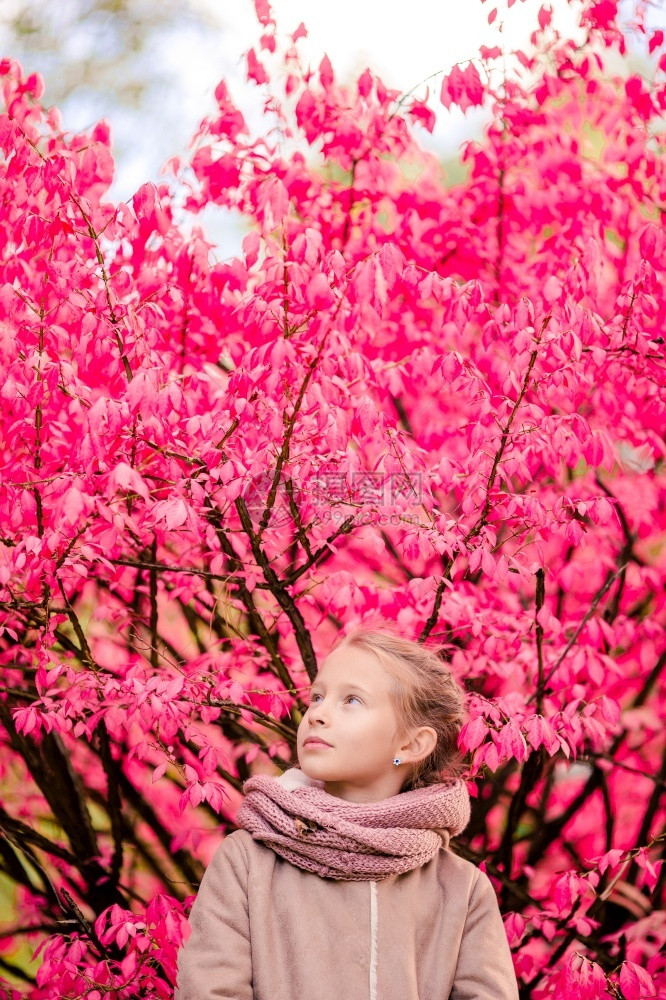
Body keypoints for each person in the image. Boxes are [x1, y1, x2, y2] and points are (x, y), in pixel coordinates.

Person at [175, 628, 519, 1000]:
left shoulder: (461, 889)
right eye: (317, 697)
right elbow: (209, 990)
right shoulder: (247, 861)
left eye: (351, 700)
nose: (317, 714)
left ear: (411, 744)